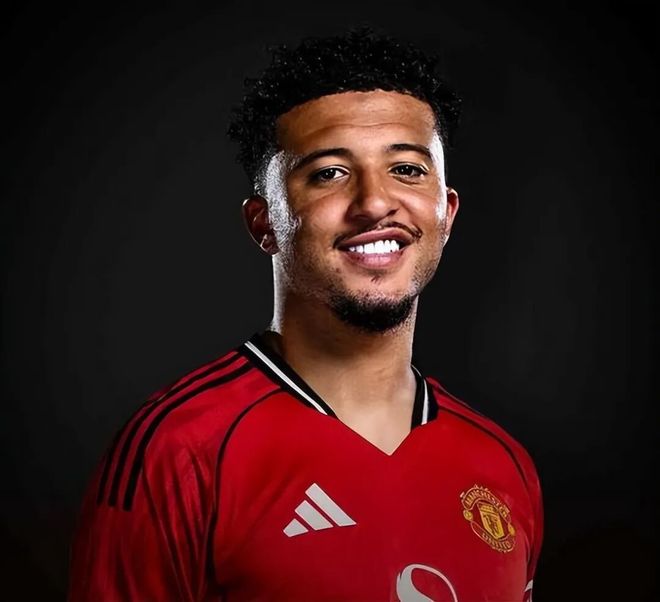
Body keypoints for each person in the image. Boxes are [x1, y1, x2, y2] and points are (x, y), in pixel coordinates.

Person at [69, 28, 543, 602]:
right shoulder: (177, 452)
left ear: (445, 213)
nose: (374, 202)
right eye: (329, 173)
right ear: (264, 223)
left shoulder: (504, 464)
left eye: (407, 169)